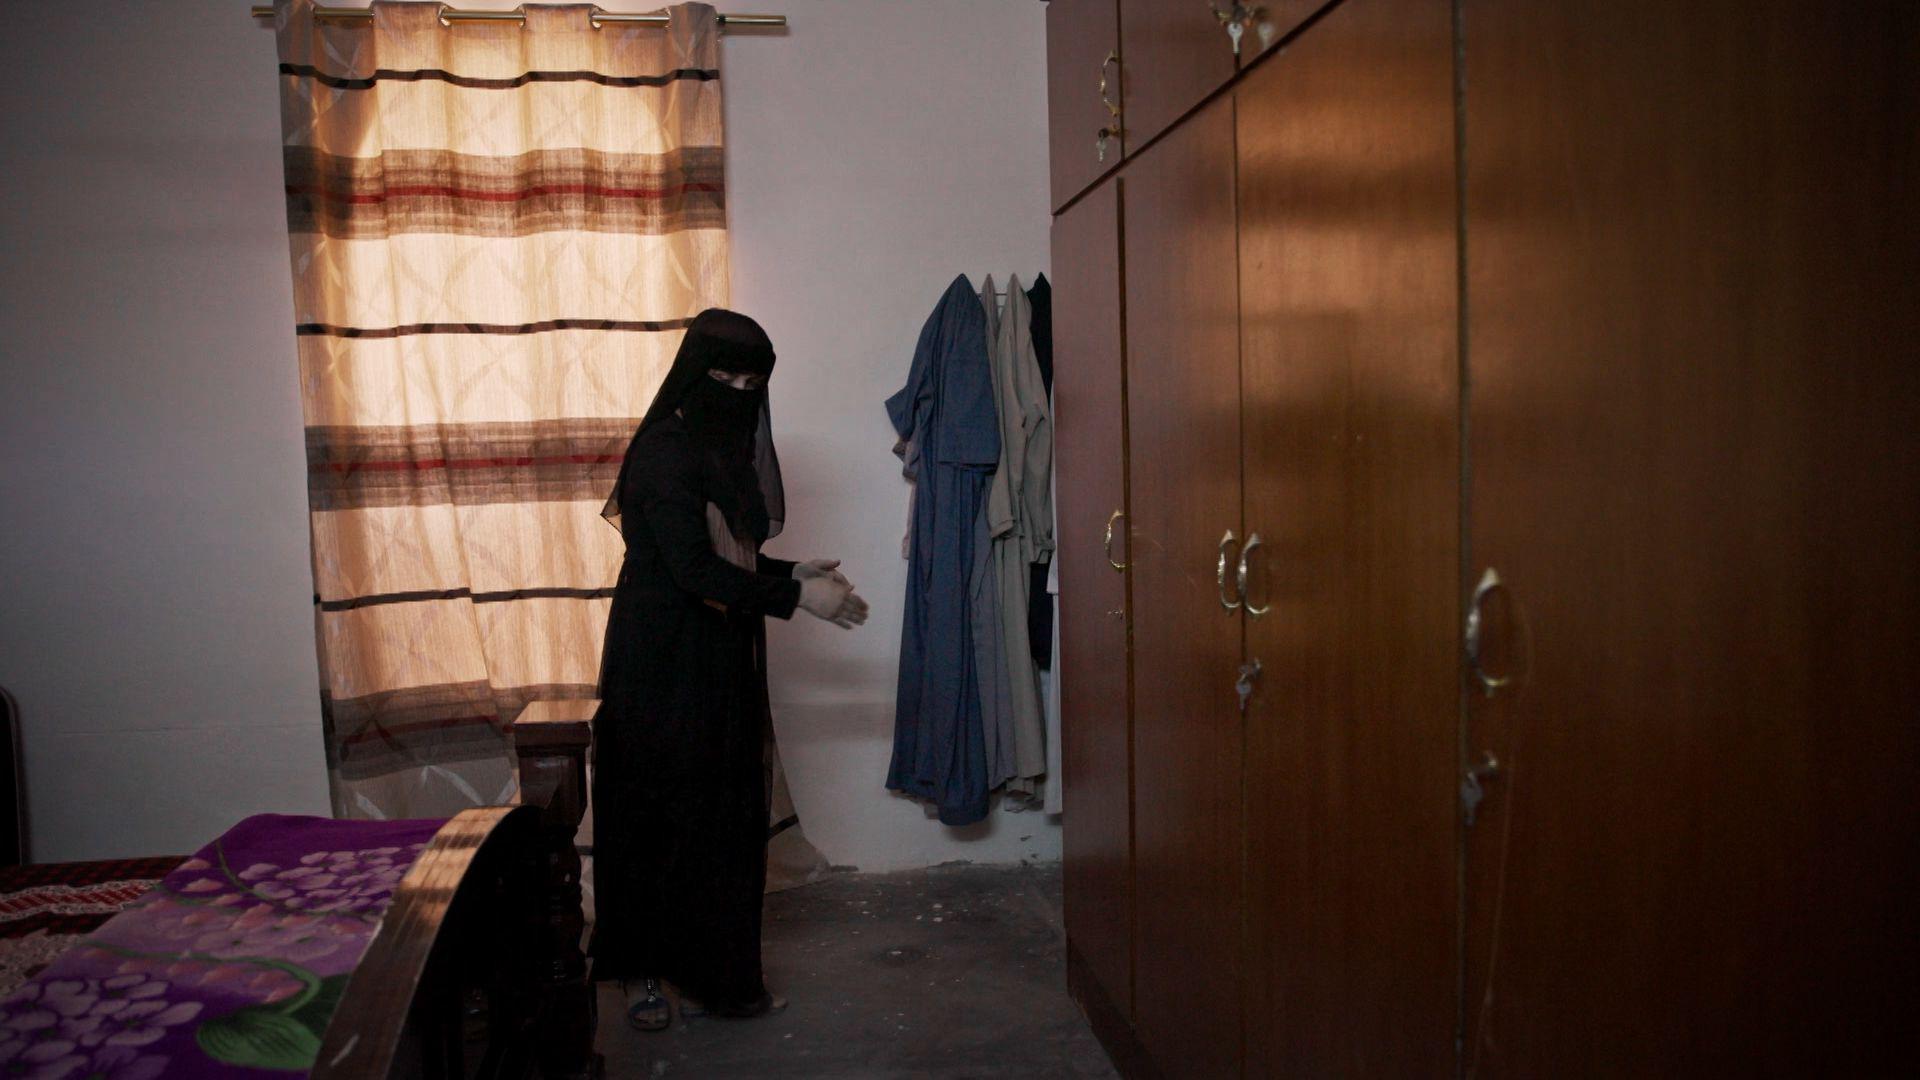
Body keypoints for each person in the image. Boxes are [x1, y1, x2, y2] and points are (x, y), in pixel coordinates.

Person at [591, 309, 868, 1029]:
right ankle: (644, 971)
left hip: (717, 656)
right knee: (657, 815)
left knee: (720, 816)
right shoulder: (663, 454)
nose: (741, 391)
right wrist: (797, 597)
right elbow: (687, 569)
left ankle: (716, 975)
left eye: (754, 381)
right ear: (695, 375)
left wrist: (789, 570)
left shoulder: (720, 450)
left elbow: (727, 556)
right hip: (659, 663)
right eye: (727, 377)